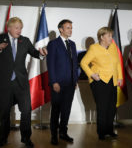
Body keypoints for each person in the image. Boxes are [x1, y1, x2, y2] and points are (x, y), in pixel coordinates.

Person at [0, 17, 47, 147]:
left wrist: (42, 54)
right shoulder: (0, 39)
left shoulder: (25, 41)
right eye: (16, 28)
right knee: (3, 113)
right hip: (4, 84)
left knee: (26, 111)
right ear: (9, 28)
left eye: (20, 28)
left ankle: (26, 138)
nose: (19, 30)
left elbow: (34, 53)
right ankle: (2, 138)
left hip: (21, 84)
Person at [80, 27, 123, 140]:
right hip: (99, 82)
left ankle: (109, 130)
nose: (111, 38)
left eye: (111, 36)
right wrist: (92, 74)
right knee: (102, 107)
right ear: (102, 37)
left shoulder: (113, 47)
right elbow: (83, 62)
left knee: (112, 107)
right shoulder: (94, 48)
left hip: (113, 81)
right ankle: (101, 132)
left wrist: (120, 77)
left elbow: (117, 63)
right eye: (109, 36)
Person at [47, 19, 78, 145]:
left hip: (70, 84)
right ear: (61, 29)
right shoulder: (53, 44)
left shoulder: (73, 44)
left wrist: (75, 80)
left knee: (66, 110)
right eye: (68, 28)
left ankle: (63, 133)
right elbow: (50, 64)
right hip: (58, 84)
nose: (70, 30)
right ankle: (54, 135)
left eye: (71, 27)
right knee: (56, 110)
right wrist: (54, 82)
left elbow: (75, 64)